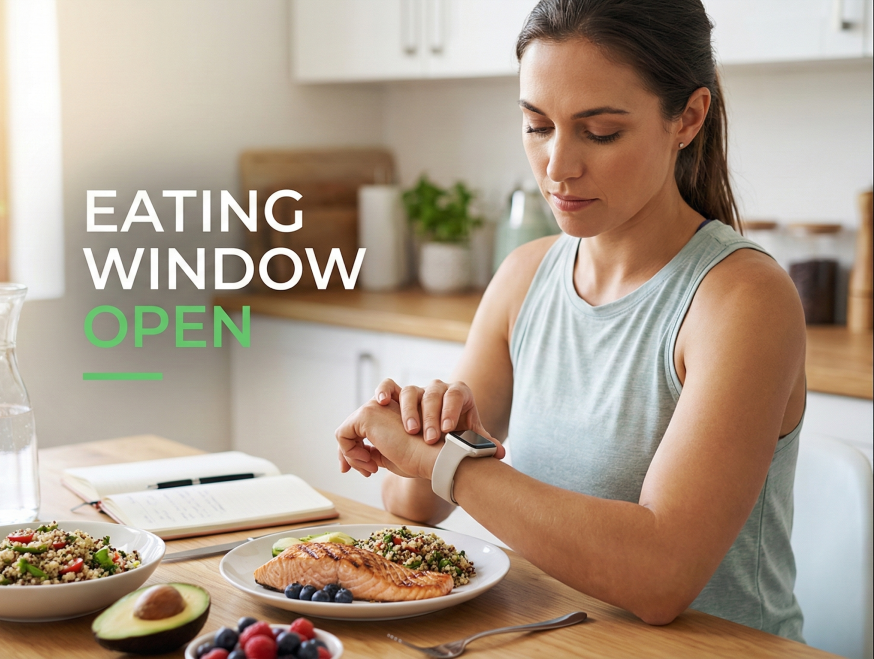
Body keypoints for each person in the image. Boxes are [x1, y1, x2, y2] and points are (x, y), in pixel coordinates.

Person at [335, 0, 807, 641]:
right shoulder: (525, 278)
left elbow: (660, 577)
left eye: (601, 132)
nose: (558, 166)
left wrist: (456, 467)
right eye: (537, 125)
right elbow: (416, 504)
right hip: (556, 642)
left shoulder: (743, 299)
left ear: (688, 119)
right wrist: (420, 434)